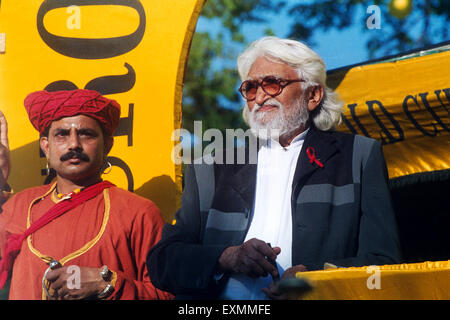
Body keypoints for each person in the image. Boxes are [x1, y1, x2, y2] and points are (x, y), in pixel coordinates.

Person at [147, 37, 402, 300]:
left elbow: (383, 262)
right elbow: (163, 261)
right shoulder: (210, 168)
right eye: (250, 88)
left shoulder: (357, 156)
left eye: (272, 83)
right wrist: (226, 257)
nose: (259, 96)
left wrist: (314, 278)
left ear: (313, 95)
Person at [0, 89, 173, 300]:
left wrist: (106, 284)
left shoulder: (138, 213)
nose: (74, 144)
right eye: (62, 134)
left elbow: (169, 295)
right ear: (46, 145)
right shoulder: (19, 205)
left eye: (86, 134)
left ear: (107, 144)